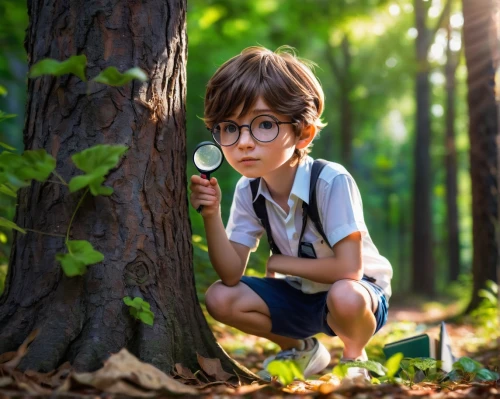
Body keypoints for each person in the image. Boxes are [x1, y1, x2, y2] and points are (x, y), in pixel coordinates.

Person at [189, 46, 392, 380]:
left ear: (304, 133)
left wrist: (277, 262)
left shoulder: (329, 181)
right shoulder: (247, 190)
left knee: (344, 295)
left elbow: (350, 270)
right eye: (229, 127)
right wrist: (210, 214)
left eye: (264, 124)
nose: (243, 142)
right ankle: (303, 349)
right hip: (300, 295)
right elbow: (229, 274)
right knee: (221, 297)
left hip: (358, 295)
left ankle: (355, 357)